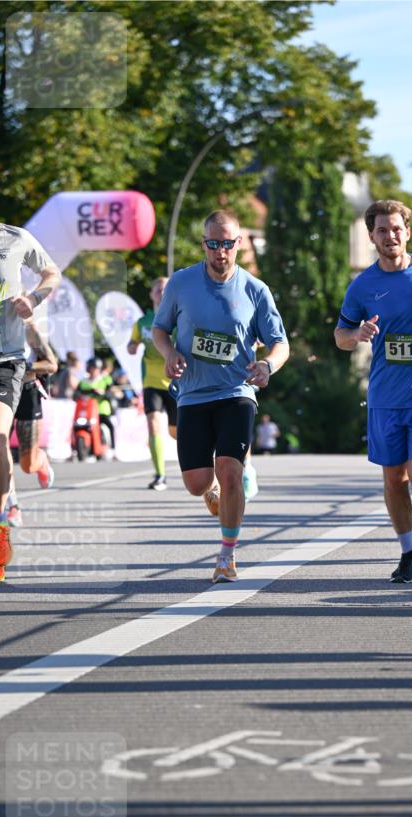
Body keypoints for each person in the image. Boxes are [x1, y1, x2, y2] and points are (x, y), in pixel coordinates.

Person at [152, 209, 289, 583]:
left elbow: (280, 343)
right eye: (213, 243)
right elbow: (159, 330)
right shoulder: (181, 284)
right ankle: (209, 489)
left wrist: (268, 366)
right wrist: (170, 355)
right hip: (193, 394)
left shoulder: (255, 290)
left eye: (227, 243)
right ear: (204, 244)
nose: (220, 251)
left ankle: (226, 556)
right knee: (197, 482)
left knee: (231, 470)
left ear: (238, 243)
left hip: (237, 391)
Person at [334, 199, 412, 583]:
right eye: (381, 230)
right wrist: (356, 334)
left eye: (396, 229)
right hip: (385, 399)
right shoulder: (362, 286)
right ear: (371, 236)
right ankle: (408, 552)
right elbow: (340, 336)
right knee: (393, 478)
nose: (390, 236)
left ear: (407, 231)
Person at [0, 163, 60, 582]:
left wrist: (34, 298)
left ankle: (1, 518)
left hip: (3, 359)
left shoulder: (15, 239)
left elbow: (51, 272)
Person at [6, 320, 59, 527]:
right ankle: (12, 506)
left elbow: (51, 365)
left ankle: (40, 459)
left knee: (27, 465)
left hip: (27, 392)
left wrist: (24, 366)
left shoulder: (28, 330)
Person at [128, 277, 176, 490]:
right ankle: (160, 475)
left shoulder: (179, 319)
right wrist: (132, 346)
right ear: (151, 294)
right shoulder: (143, 322)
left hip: (177, 382)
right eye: (157, 289)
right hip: (151, 381)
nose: (161, 293)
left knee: (176, 433)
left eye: (165, 289)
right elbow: (134, 341)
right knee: (153, 424)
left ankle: (198, 465)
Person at [77, 356, 116, 456]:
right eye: (92, 368)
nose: (94, 371)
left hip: (101, 410)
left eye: (96, 369)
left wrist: (103, 394)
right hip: (86, 411)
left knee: (109, 426)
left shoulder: (105, 380)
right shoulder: (83, 382)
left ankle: (112, 448)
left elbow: (111, 393)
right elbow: (76, 394)